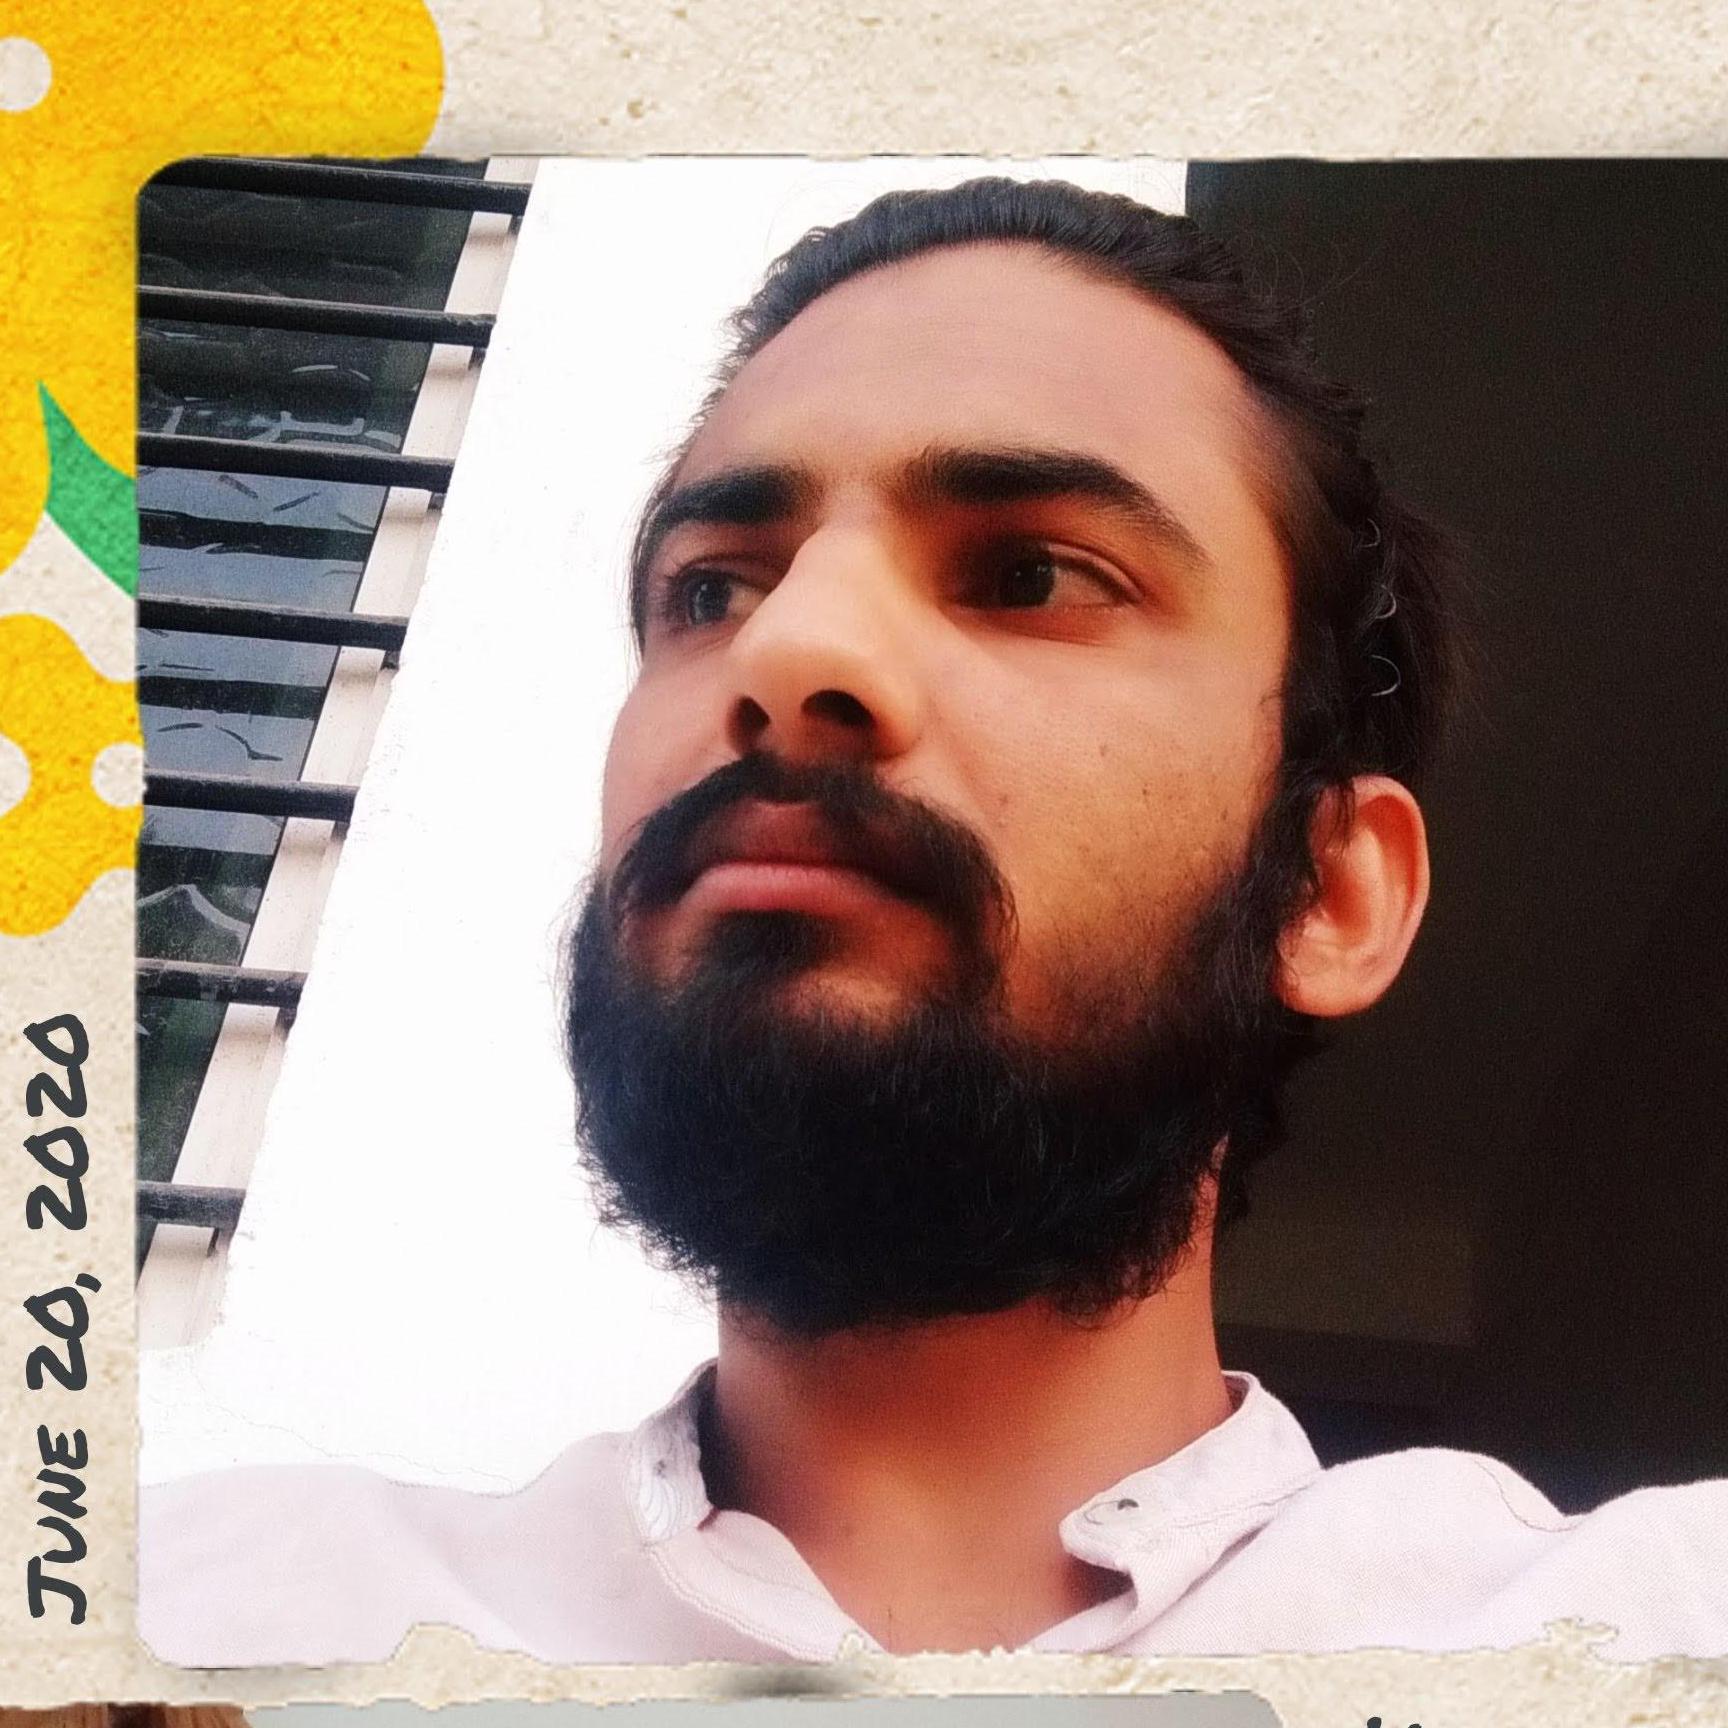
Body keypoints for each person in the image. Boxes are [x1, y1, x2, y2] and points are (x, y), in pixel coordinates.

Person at [139, 177, 1727, 1667]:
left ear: (1328, 894)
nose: (788, 650)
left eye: (1032, 575)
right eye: (713, 588)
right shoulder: (184, 1615)